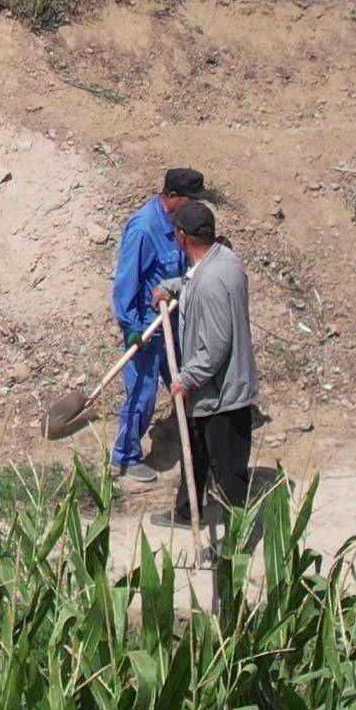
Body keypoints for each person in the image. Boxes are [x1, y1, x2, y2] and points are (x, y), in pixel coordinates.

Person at [152, 200, 260, 538]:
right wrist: (170, 288)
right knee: (195, 451)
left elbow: (216, 345)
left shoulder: (212, 280)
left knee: (227, 472)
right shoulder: (224, 260)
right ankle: (188, 510)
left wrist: (186, 378)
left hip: (222, 394)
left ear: (182, 237)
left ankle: (242, 534)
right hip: (213, 392)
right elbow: (193, 282)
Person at [107, 168, 207, 485]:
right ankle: (124, 457)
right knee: (142, 393)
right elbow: (126, 282)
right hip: (146, 329)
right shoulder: (143, 228)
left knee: (187, 380)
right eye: (191, 200)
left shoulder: (180, 225)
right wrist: (131, 326)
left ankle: (194, 440)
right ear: (173, 197)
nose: (196, 207)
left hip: (173, 322)